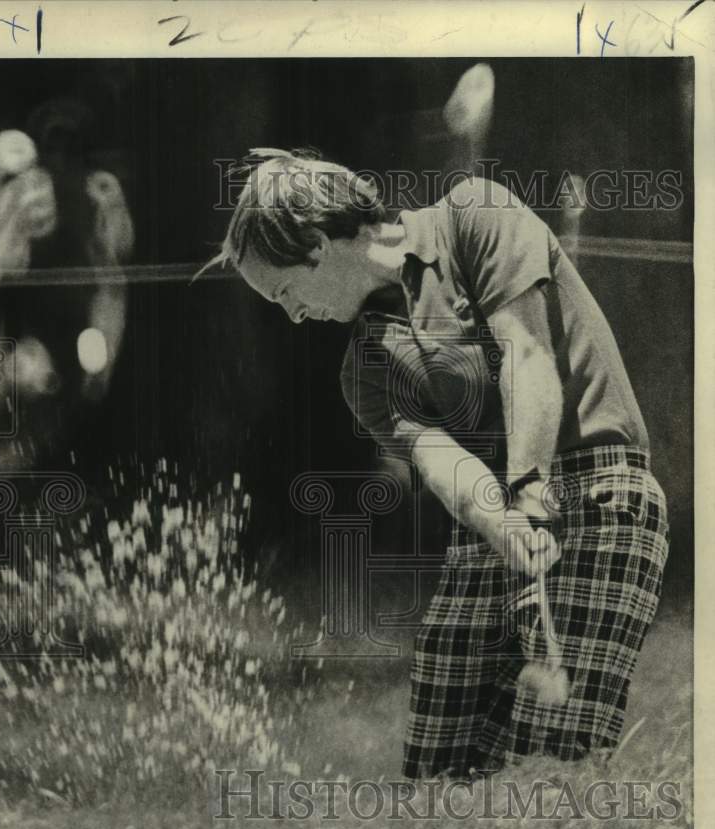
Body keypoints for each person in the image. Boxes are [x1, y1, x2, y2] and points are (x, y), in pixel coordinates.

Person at [200, 147, 669, 781]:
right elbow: (444, 463)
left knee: (555, 769)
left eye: (285, 292)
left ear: (314, 245)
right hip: (496, 526)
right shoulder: (363, 369)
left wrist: (529, 491)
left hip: (598, 486)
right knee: (440, 780)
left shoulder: (475, 216)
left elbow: (527, 356)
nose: (294, 315)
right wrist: (502, 524)